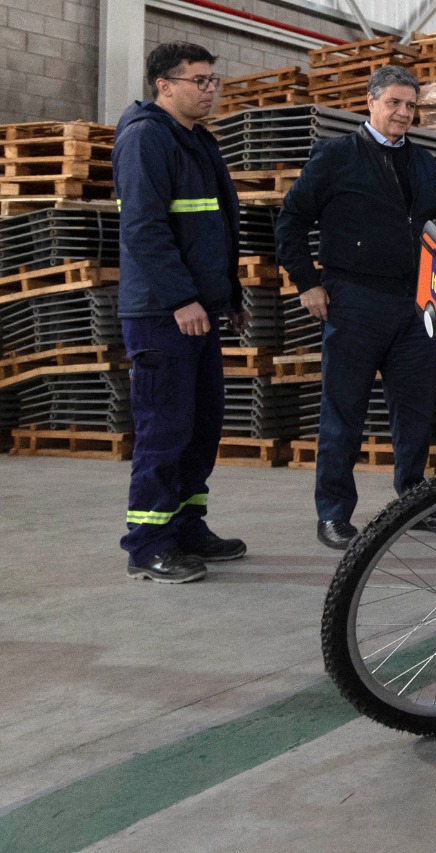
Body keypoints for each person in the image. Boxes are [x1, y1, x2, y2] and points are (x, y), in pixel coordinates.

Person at [275, 65, 436, 550]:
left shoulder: (423, 162)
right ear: (371, 101)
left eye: (410, 106)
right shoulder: (335, 156)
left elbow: (427, 230)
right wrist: (307, 283)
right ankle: (333, 514)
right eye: (395, 103)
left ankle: (415, 504)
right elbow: (291, 221)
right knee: (344, 409)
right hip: (353, 299)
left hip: (413, 303)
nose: (403, 113)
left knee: (415, 411)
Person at [113, 42, 249, 584]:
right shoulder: (146, 137)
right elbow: (144, 229)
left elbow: (213, 231)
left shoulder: (195, 140)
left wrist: (227, 300)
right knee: (164, 430)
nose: (210, 89)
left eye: (213, 80)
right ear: (164, 85)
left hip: (198, 312)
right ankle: (148, 544)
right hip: (161, 314)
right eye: (199, 80)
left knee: (201, 428)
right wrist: (182, 300)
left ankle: (188, 527)